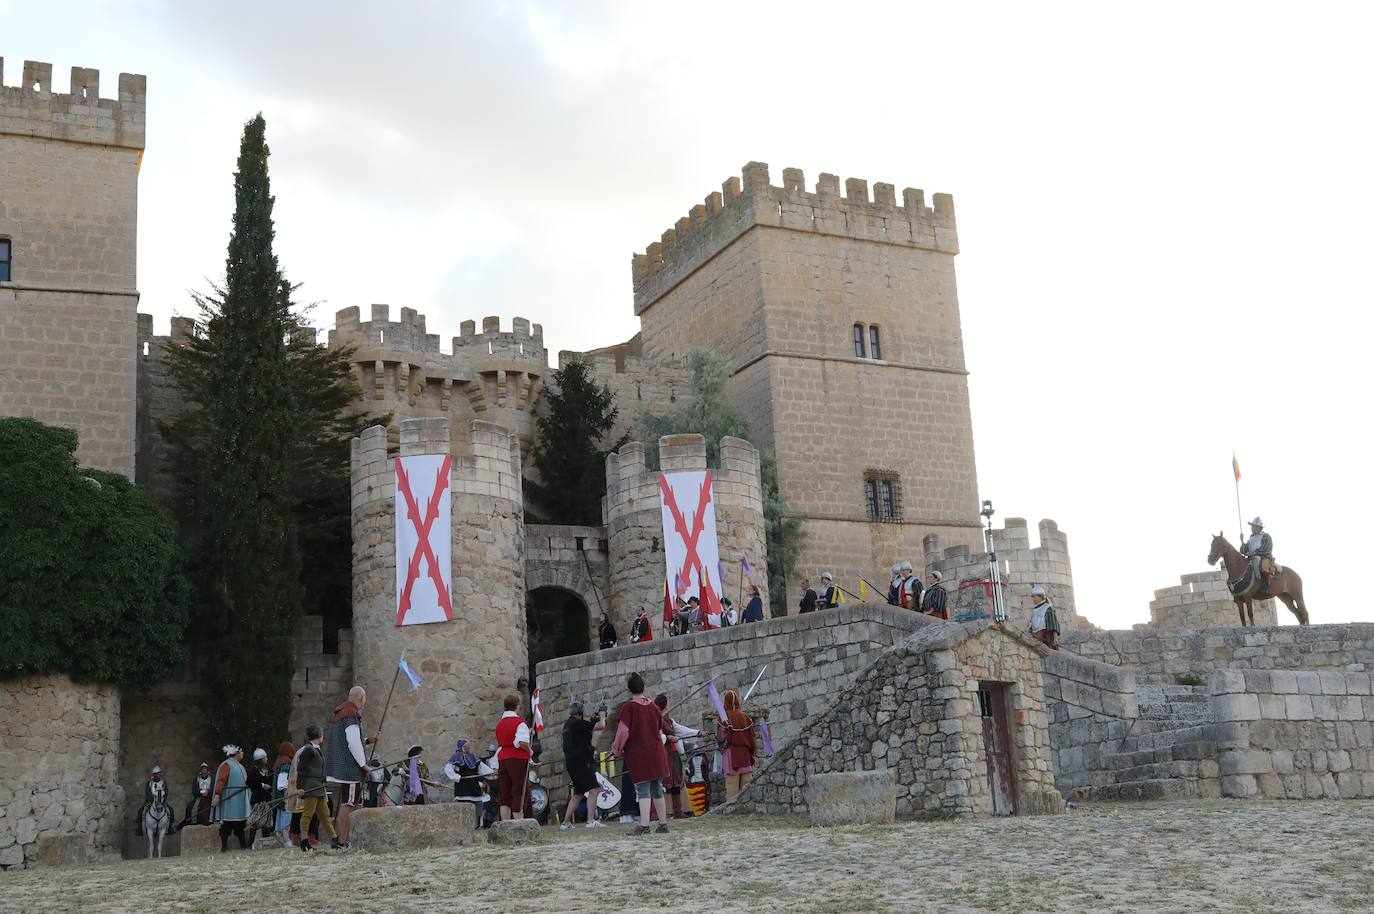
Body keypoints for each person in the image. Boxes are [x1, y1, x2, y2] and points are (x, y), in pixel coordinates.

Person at [610, 671, 671, 835]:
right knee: (657, 788)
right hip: (657, 752)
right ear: (643, 687)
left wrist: (616, 749)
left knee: (643, 788)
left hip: (640, 753)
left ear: (630, 689)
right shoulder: (654, 708)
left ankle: (644, 825)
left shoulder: (629, 707)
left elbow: (623, 732)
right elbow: (659, 732)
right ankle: (663, 824)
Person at [325, 685, 370, 850]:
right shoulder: (350, 715)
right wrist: (363, 765)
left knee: (349, 803)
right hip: (350, 770)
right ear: (361, 698)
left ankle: (343, 840)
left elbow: (352, 741)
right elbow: (353, 743)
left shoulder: (342, 715)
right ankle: (342, 842)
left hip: (343, 768)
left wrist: (369, 740)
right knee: (349, 804)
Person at [560, 701, 607, 829]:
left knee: (578, 793)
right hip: (581, 761)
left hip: (571, 762)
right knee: (594, 789)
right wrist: (602, 715)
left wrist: (593, 720)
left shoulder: (568, 725)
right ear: (581, 713)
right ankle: (590, 821)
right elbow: (601, 726)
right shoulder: (578, 723)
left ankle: (565, 823)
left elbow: (585, 734)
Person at [655, 694, 704, 819]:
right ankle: (654, 814)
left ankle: (678, 812)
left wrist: (698, 733)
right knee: (662, 783)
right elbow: (655, 737)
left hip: (672, 754)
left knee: (676, 781)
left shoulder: (669, 721)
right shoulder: (655, 720)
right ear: (665, 705)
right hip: (662, 754)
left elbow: (682, 730)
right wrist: (668, 738)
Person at [295, 723, 336, 853]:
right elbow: (301, 770)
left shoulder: (316, 749)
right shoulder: (308, 750)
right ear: (319, 735)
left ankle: (334, 839)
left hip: (318, 787)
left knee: (324, 814)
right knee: (307, 814)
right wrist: (300, 787)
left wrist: (324, 780)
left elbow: (318, 768)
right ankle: (304, 841)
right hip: (310, 787)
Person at [495, 693, 533, 821]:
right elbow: (522, 742)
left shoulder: (500, 724)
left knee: (504, 792)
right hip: (517, 759)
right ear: (517, 706)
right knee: (519, 790)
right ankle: (519, 821)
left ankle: (505, 822)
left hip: (502, 759)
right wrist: (530, 751)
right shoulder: (519, 722)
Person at [716, 689, 757, 801]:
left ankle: (731, 808)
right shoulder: (746, 717)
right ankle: (746, 805)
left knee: (731, 785)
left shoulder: (724, 718)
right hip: (745, 755)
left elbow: (721, 737)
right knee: (746, 784)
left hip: (731, 755)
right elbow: (752, 737)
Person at [210, 745, 250, 852]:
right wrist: (217, 794)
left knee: (240, 823)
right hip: (230, 800)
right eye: (241, 752)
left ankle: (243, 845)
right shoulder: (227, 765)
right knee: (227, 823)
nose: (243, 754)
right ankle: (224, 847)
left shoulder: (240, 766)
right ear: (236, 753)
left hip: (239, 800)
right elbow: (221, 780)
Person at [245, 747, 275, 848]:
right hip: (257, 799)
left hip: (267, 799)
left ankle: (266, 844)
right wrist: (262, 785)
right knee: (254, 822)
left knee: (266, 823)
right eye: (265, 757)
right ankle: (250, 844)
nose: (267, 759)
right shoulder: (253, 771)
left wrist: (270, 787)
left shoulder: (268, 769)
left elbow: (271, 781)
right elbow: (250, 782)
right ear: (261, 759)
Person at [271, 741, 295, 847]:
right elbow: (283, 783)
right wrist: (287, 796)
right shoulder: (286, 765)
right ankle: (286, 839)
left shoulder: (279, 763)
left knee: (280, 815)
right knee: (286, 816)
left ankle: (280, 837)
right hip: (284, 797)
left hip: (279, 797)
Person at [177, 761, 213, 830]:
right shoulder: (197, 779)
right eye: (202, 769)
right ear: (201, 771)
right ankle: (190, 820)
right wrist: (201, 792)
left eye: (205, 769)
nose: (204, 771)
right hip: (200, 797)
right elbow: (194, 790)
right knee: (190, 807)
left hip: (210, 796)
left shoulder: (212, 779)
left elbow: (213, 787)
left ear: (207, 770)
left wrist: (209, 791)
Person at [1240, 517, 1275, 586]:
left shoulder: (1266, 536)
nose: (1251, 528)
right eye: (1251, 526)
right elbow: (1244, 549)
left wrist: (1254, 553)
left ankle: (1262, 582)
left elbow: (1267, 548)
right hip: (1250, 557)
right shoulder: (1251, 537)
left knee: (1256, 560)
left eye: (1253, 526)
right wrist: (1242, 540)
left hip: (1263, 557)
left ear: (1259, 528)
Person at [138, 766, 170, 837]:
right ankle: (140, 829)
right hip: (150, 801)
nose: (158, 775)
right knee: (141, 811)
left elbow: (166, 791)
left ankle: (169, 828)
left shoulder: (163, 783)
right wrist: (153, 798)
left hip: (161, 801)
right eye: (156, 774)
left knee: (170, 811)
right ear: (153, 775)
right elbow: (147, 792)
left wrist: (162, 800)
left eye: (159, 773)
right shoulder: (149, 783)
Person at [1028, 585, 1061, 650]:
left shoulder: (1047, 608)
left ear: (1040, 596)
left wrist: (1055, 638)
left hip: (1046, 638)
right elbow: (1033, 624)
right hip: (1037, 639)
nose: (1033, 599)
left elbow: (1053, 624)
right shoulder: (1035, 609)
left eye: (1034, 596)